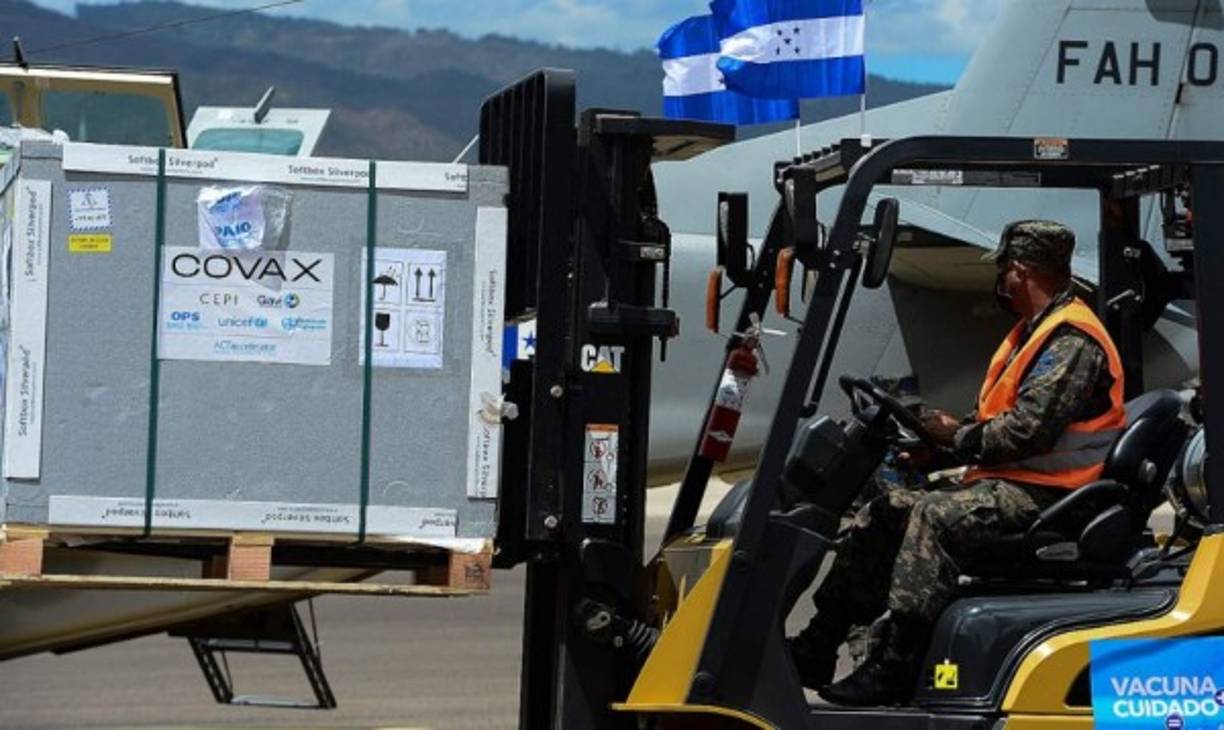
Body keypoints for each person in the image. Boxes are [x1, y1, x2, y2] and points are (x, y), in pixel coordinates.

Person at [788, 220, 1126, 706]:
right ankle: (819, 642)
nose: (1000, 281)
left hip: (1052, 494)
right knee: (886, 510)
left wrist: (956, 437)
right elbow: (996, 422)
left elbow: (1026, 432)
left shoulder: (1071, 341)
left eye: (1004, 270)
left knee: (934, 516)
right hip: (1013, 481)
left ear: (1021, 270)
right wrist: (939, 447)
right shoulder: (1033, 332)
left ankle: (897, 661)